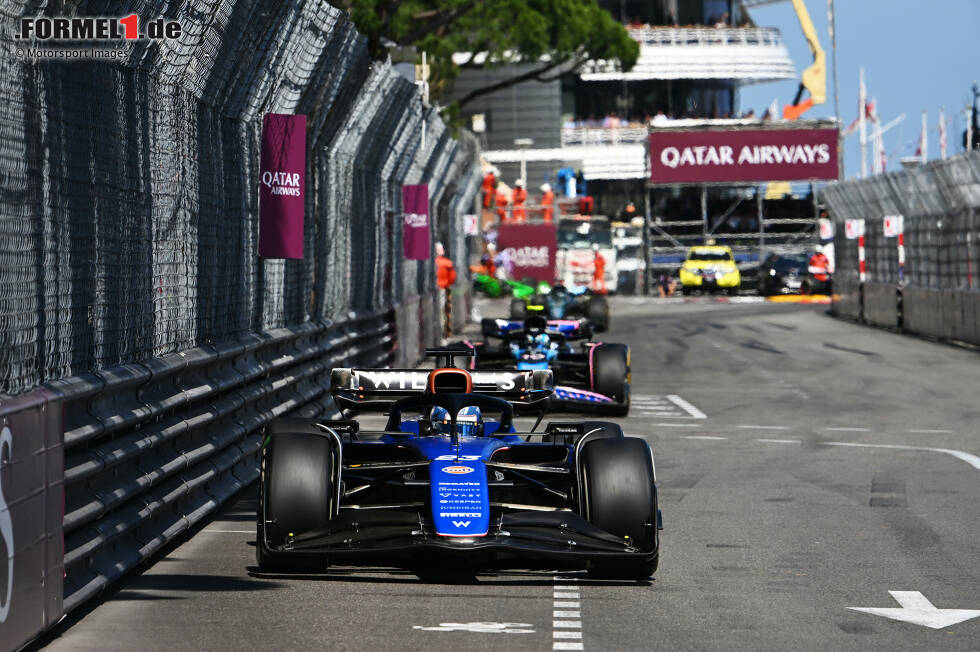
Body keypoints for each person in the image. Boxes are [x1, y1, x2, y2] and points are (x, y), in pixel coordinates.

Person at [435, 242, 457, 337]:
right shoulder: (447, 263)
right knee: (442, 312)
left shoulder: (430, 263)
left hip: (431, 290)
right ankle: (442, 334)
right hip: (442, 289)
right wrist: (446, 284)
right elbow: (452, 278)